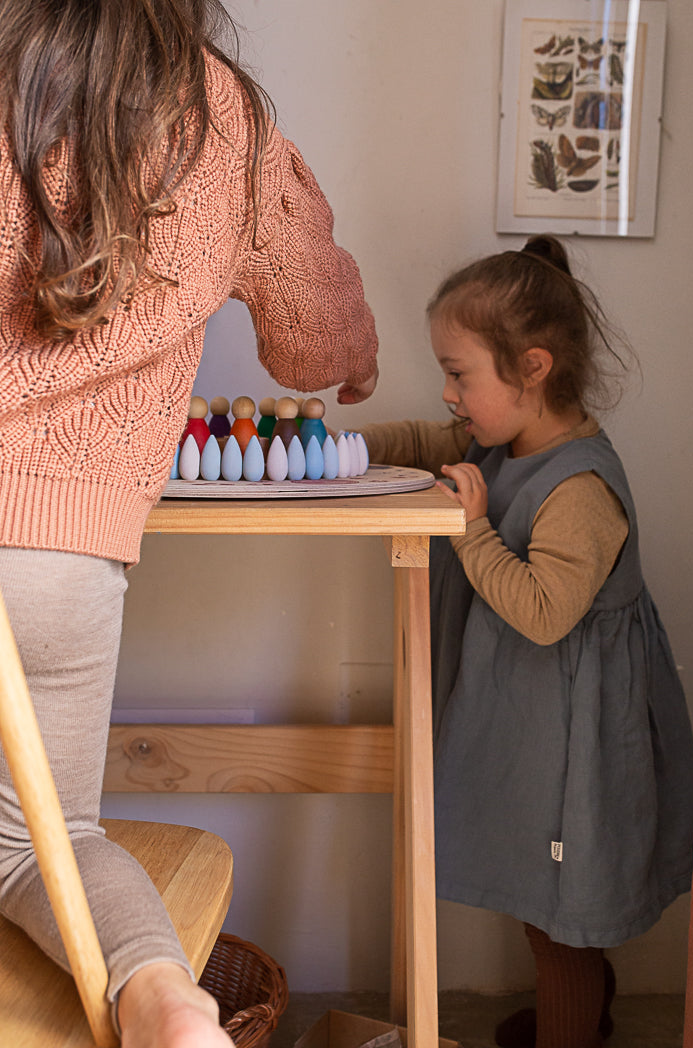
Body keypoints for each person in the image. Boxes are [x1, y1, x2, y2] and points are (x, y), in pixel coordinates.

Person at [0, 2, 378, 1046]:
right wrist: (357, 357)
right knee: (47, 839)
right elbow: (310, 341)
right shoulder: (230, 124)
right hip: (59, 558)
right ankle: (163, 993)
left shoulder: (6, 69)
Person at [359, 235, 693, 1048]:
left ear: (533, 367)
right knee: (544, 902)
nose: (446, 393)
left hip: (578, 740)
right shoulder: (502, 441)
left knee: (561, 920)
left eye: (457, 374)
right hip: (535, 725)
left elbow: (545, 611)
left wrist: (473, 533)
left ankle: (572, 1022)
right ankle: (576, 1009)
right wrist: (336, 448)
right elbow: (424, 440)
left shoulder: (579, 486)